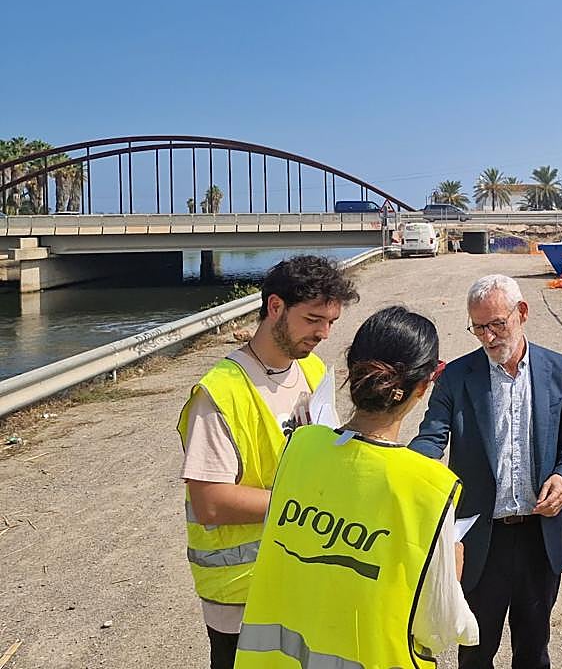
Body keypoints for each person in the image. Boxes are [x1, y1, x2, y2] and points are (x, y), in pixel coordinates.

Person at [235, 306, 479, 668]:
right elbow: (439, 628)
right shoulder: (427, 488)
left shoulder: (299, 447)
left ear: (352, 371)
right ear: (426, 383)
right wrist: (453, 567)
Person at [177, 254, 359, 669]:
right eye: (314, 319)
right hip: (242, 593)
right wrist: (303, 506)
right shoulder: (219, 393)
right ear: (275, 307)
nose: (324, 333)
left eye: (330, 322)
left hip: (302, 576)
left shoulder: (312, 371)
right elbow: (209, 503)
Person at [409, 274, 562, 669]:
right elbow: (431, 437)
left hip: (540, 537)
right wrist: (404, 471)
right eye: (478, 328)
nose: (488, 338)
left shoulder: (558, 369)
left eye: (496, 325)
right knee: (474, 651)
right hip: (479, 540)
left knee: (534, 651)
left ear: (522, 313)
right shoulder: (456, 377)